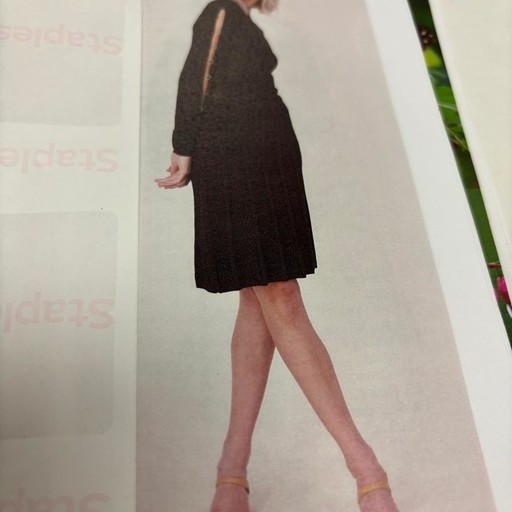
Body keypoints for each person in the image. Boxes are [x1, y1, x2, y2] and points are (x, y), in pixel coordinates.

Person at [155, 0, 400, 511]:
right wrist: (183, 147)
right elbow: (194, 77)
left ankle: (232, 471)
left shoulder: (241, 18)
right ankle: (366, 470)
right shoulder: (219, 11)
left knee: (258, 299)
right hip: (232, 155)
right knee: (280, 296)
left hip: (270, 155)